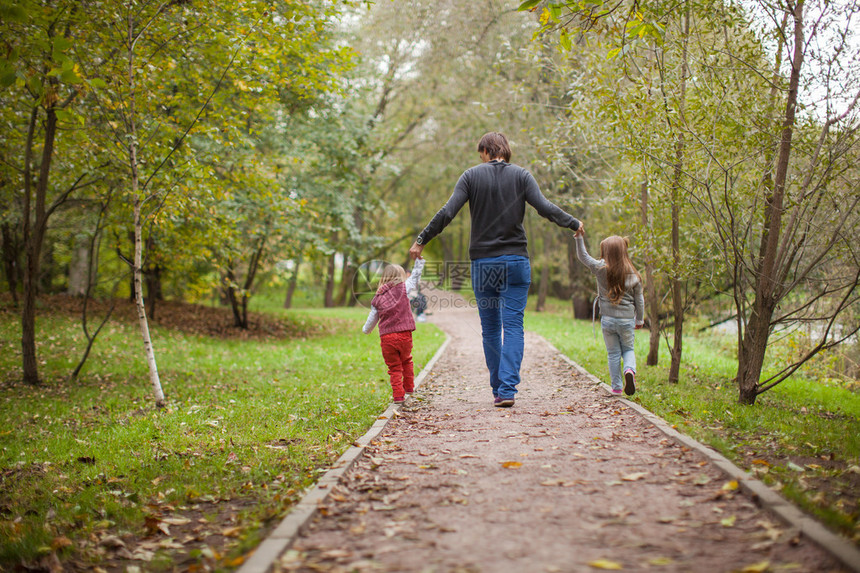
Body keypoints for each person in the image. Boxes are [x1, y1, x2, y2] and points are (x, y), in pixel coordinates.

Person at [409, 132, 581, 407]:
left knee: (490, 329)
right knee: (513, 327)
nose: (481, 160)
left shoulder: (470, 176)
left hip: (484, 264)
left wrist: (422, 239)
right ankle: (508, 390)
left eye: (481, 154)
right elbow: (545, 208)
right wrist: (572, 222)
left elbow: (447, 212)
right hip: (515, 262)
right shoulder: (522, 176)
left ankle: (498, 389)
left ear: (488, 150)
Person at [574, 228, 644, 396]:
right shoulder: (634, 275)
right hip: (627, 320)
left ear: (605, 252)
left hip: (608, 320)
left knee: (613, 353)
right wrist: (639, 320)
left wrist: (579, 238)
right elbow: (639, 300)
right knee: (628, 350)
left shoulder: (600, 269)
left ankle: (617, 388)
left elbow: (583, 257)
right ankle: (629, 370)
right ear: (623, 252)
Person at [362, 258, 426, 404]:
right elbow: (415, 276)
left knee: (394, 367)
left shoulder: (377, 298)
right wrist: (419, 263)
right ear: (401, 276)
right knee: (406, 360)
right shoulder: (405, 288)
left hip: (387, 338)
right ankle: (409, 387)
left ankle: (398, 396)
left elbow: (372, 318)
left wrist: (366, 330)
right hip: (405, 335)